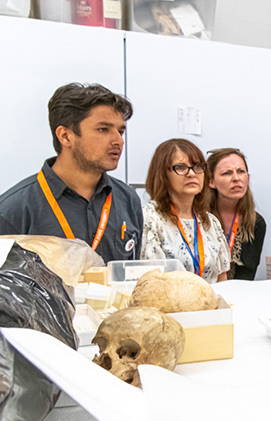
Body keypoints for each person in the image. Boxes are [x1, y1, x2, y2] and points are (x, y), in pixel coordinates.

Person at [0, 83, 142, 263]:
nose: (118, 141)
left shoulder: (128, 200)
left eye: (120, 131)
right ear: (65, 136)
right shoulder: (14, 209)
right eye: (103, 129)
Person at [141, 138, 230, 283]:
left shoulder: (211, 222)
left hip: (208, 303)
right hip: (168, 303)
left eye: (198, 166)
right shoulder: (150, 217)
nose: (192, 174)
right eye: (181, 167)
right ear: (163, 175)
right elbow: (150, 281)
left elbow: (222, 280)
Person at [207, 148, 266, 280]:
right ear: (211, 181)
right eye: (227, 173)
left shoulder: (256, 222)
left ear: (248, 178)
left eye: (241, 172)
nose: (236, 178)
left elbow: (247, 275)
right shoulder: (198, 218)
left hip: (237, 294)